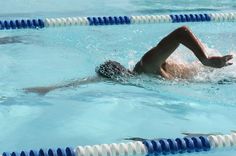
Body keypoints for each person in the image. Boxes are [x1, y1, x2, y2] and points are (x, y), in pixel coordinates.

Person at [24, 26, 233, 95]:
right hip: (212, 78)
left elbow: (181, 32)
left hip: (219, 70)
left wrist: (206, 60)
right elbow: (90, 80)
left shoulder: (146, 66)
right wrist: (49, 89)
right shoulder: (133, 77)